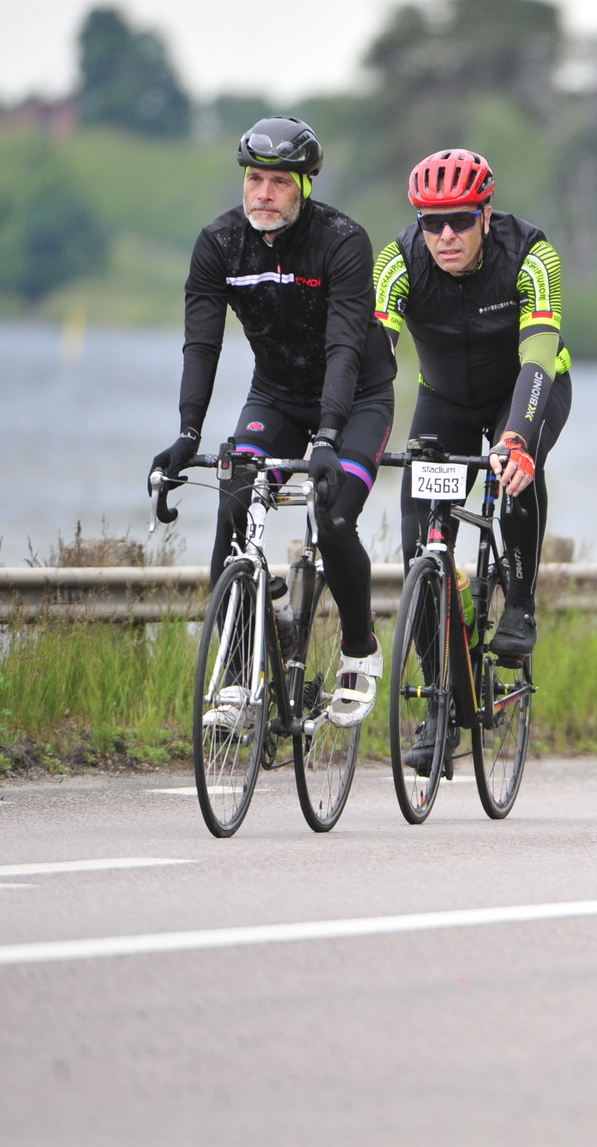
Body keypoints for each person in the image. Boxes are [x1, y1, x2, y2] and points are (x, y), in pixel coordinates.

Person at [150, 116, 397, 728]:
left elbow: (344, 346)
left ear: (304, 187)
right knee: (234, 502)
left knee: (332, 515)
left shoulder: (342, 241)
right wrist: (187, 433)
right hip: (277, 397)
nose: (263, 194)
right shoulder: (218, 244)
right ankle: (239, 677)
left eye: (279, 183)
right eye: (254, 179)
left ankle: (360, 649)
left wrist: (328, 435)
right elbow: (201, 345)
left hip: (357, 396)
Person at [373, 148, 572, 774]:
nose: (446, 235)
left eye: (460, 220)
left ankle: (519, 602)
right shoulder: (398, 261)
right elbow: (373, 356)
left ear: (486, 214)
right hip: (445, 399)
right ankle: (439, 705)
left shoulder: (531, 254)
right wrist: (355, 430)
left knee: (516, 472)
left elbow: (539, 354)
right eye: (432, 222)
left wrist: (518, 438)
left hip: (528, 388)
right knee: (420, 548)